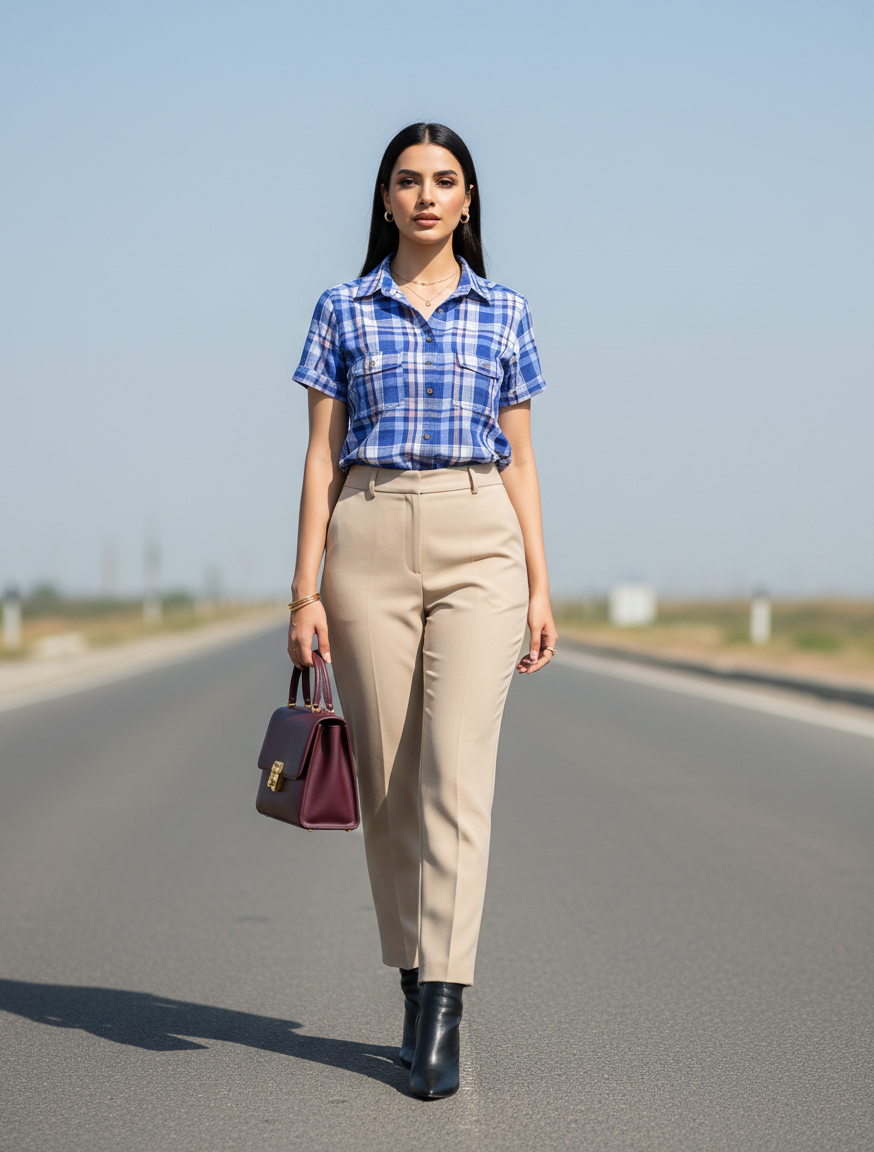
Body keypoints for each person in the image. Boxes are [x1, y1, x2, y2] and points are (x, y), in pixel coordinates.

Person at [287, 122, 557, 1100]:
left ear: (468, 198)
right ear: (386, 198)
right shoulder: (341, 308)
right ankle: (410, 976)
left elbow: (521, 458)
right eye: (408, 181)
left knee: (456, 778)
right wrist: (304, 589)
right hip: (366, 536)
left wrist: (540, 583)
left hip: (480, 535)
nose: (426, 196)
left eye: (445, 180)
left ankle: (444, 1003)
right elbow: (320, 456)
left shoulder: (505, 310)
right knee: (391, 785)